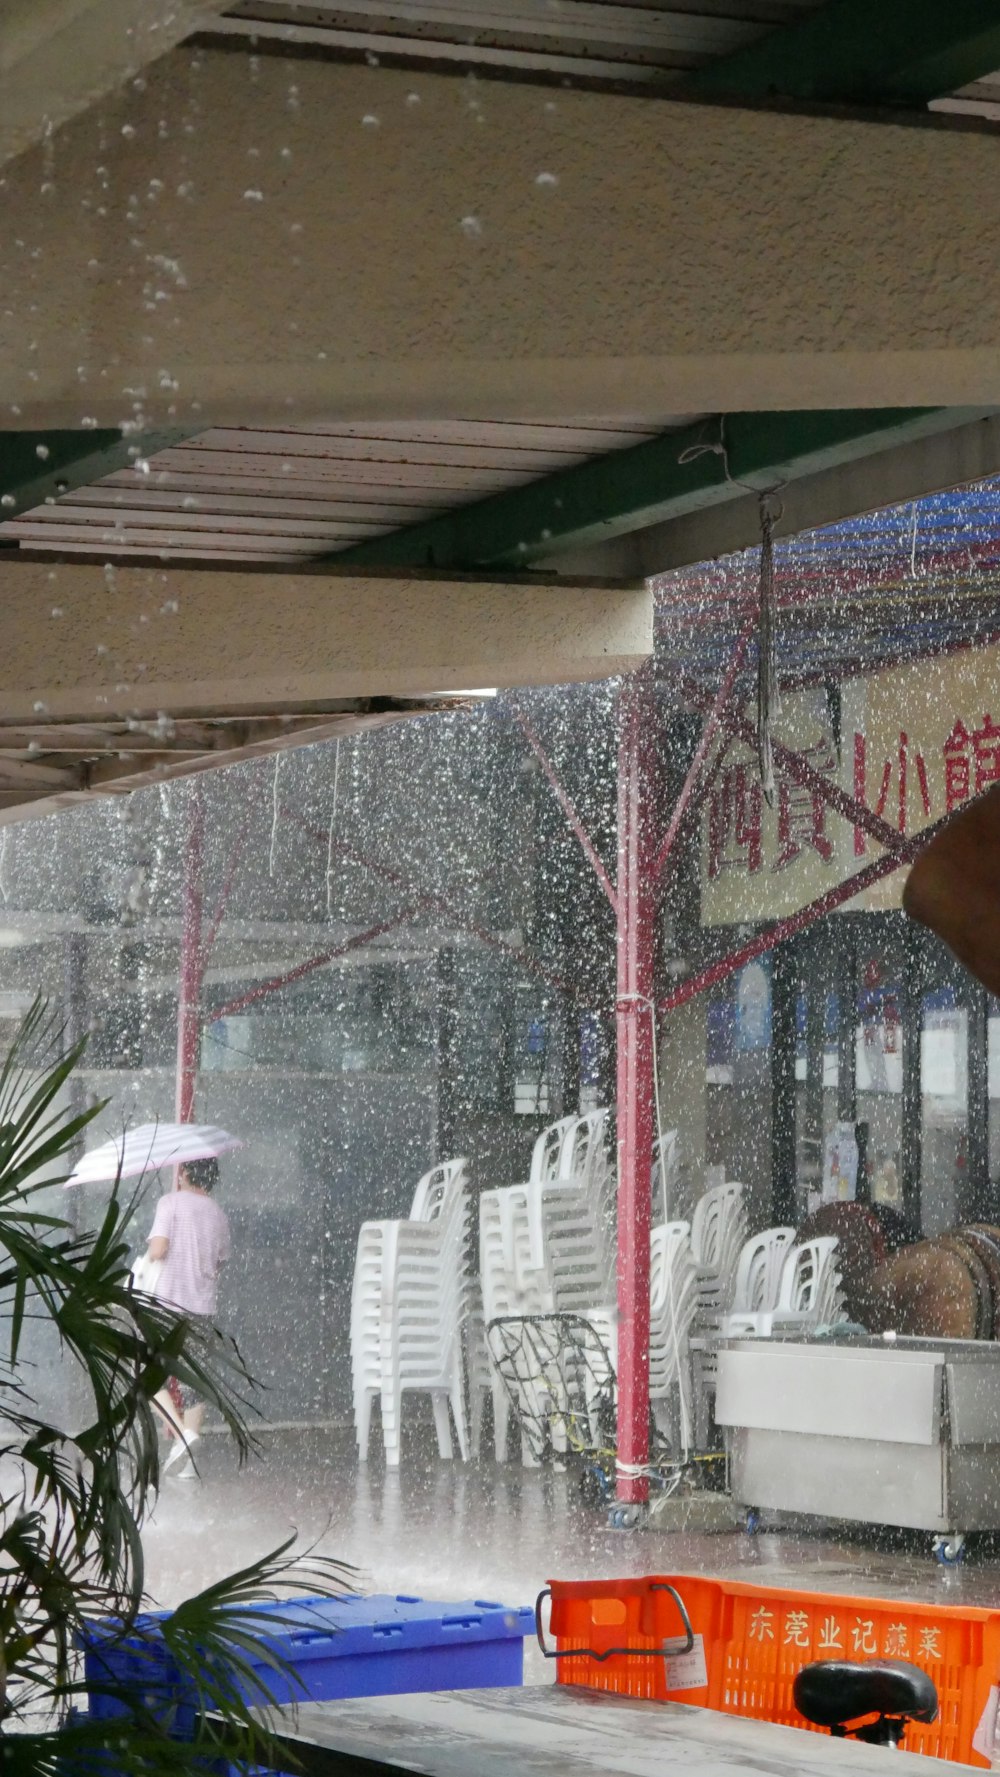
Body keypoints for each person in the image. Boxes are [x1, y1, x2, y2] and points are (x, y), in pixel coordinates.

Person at [145, 1156, 231, 1478]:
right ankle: (190, 1466)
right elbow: (220, 1260)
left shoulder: (169, 1204)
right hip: (202, 1308)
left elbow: (157, 1250)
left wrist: (157, 1248)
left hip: (167, 1305)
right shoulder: (218, 1215)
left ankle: (183, 1435)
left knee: (148, 1377)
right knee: (195, 1382)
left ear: (182, 1173)